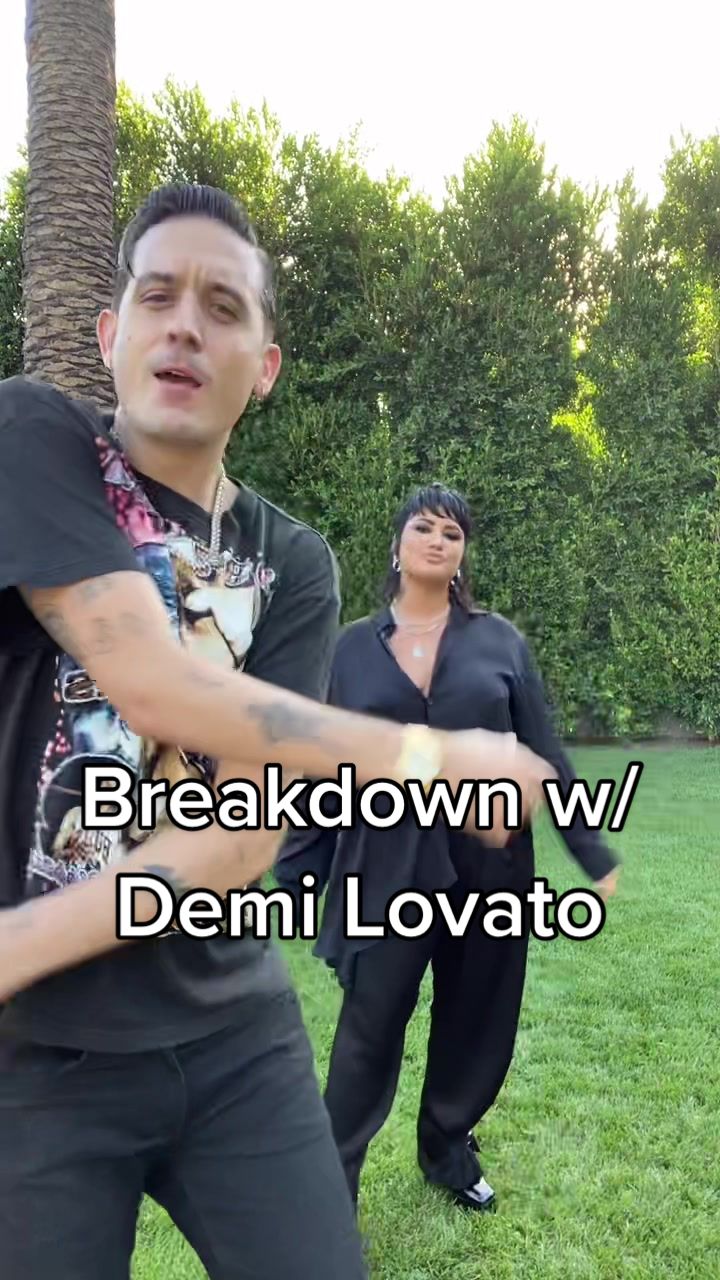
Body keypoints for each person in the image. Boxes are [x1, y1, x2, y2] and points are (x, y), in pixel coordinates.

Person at [0, 185, 555, 1280]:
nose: (185, 326)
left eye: (223, 306)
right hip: (38, 1058)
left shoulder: (292, 562)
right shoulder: (33, 440)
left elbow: (244, 836)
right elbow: (148, 682)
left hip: (231, 1034)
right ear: (110, 334)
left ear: (264, 365)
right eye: (157, 296)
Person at [275, 482, 621, 1218]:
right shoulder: (351, 649)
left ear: (463, 555)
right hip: (386, 868)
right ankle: (330, 1192)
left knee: (475, 1019)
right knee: (369, 1030)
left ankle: (445, 1147)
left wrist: (589, 850)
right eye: (425, 528)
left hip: (490, 865)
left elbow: (544, 751)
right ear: (398, 544)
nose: (438, 541)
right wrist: (301, 866)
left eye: (453, 534)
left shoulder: (499, 643)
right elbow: (320, 762)